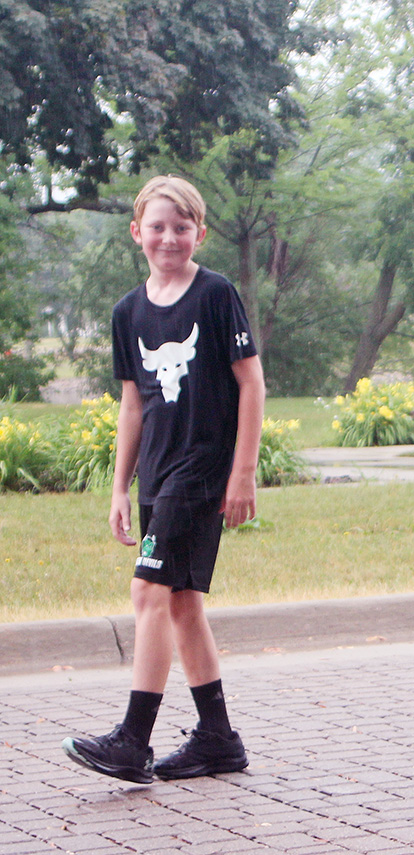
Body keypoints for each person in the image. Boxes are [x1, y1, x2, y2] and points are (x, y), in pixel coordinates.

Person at [62, 174, 265, 784]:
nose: (169, 237)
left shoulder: (215, 294)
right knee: (179, 602)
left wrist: (244, 472)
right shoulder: (129, 311)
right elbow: (133, 404)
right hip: (157, 473)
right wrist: (121, 486)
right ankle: (217, 739)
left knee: (148, 592)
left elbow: (251, 383)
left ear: (198, 232)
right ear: (137, 233)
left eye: (182, 227)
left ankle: (133, 739)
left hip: (202, 471)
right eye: (157, 226)